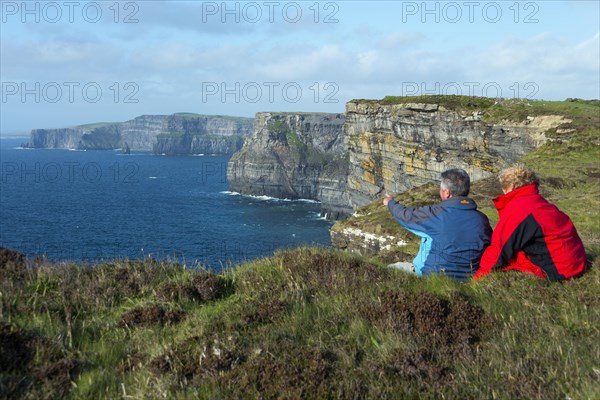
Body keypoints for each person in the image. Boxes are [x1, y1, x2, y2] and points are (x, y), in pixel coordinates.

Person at [474, 166, 586, 281]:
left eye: (504, 186)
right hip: (576, 264)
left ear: (512, 186)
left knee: (512, 258)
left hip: (559, 272)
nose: (503, 191)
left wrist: (476, 280)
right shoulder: (539, 203)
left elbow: (498, 251)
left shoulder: (520, 209)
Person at [384, 168, 492, 282]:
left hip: (433, 278)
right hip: (469, 280)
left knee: (389, 270)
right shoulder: (482, 220)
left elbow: (405, 216)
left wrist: (390, 202)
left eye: (440, 189)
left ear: (447, 193)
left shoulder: (434, 214)